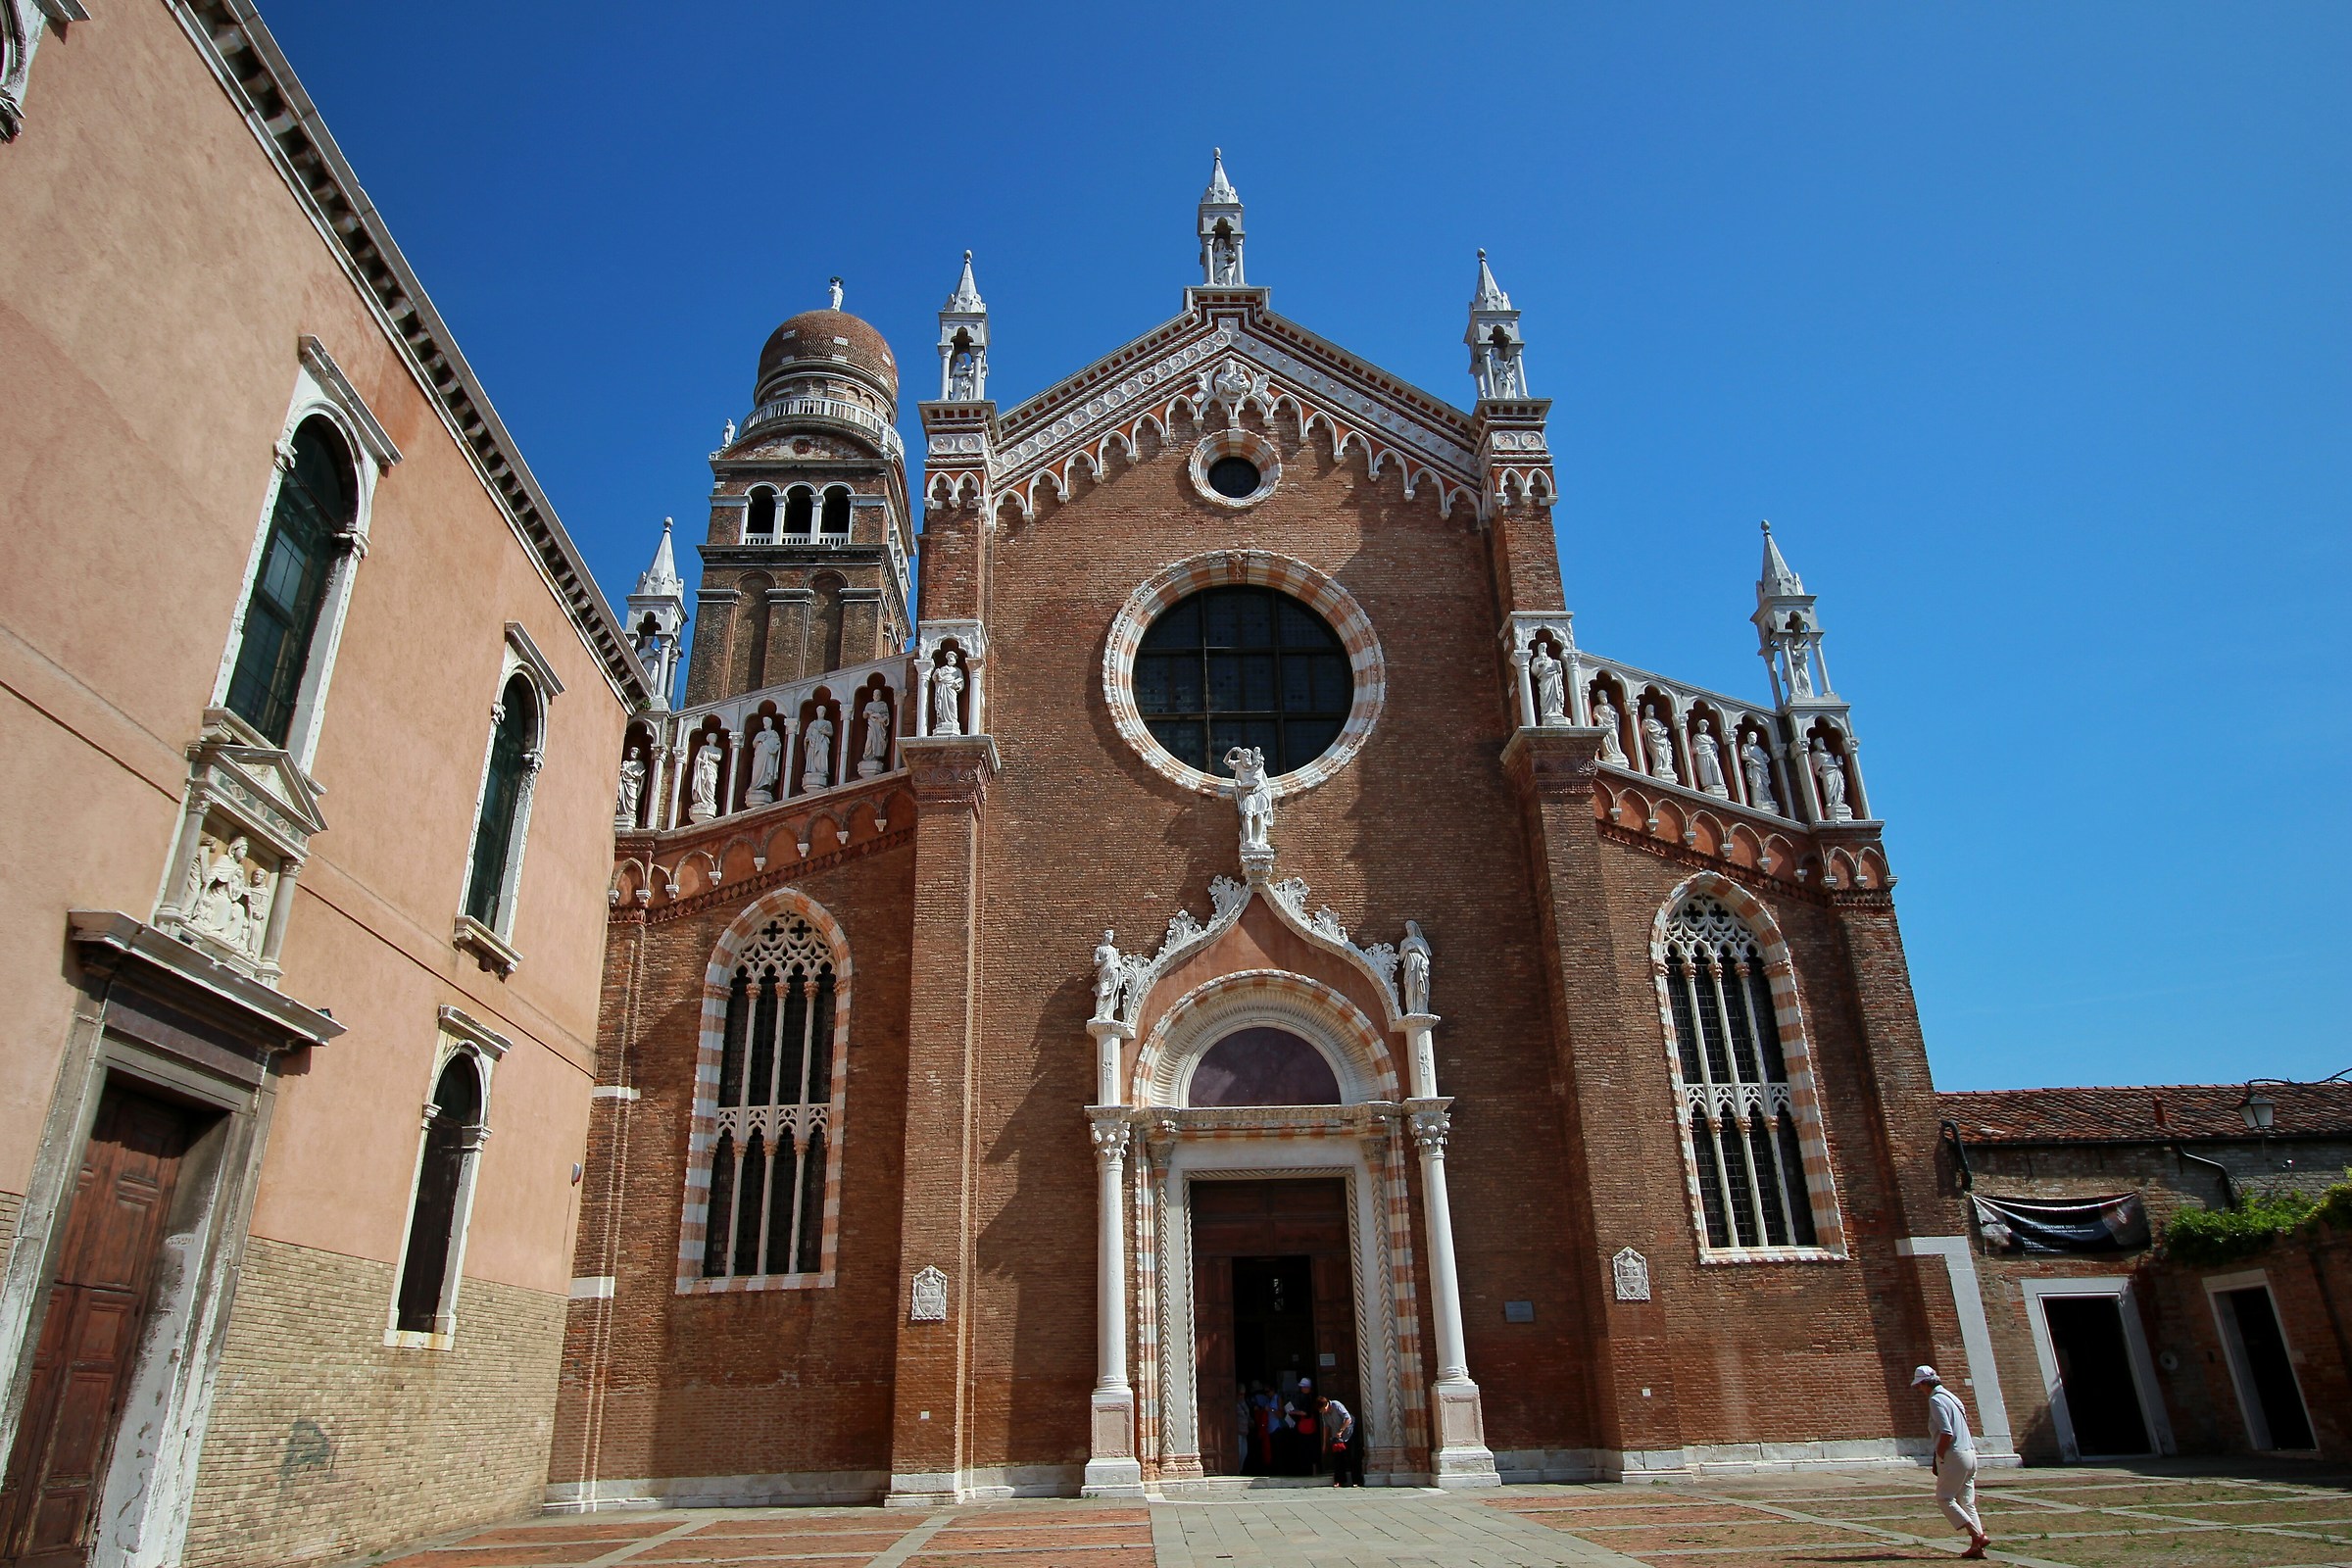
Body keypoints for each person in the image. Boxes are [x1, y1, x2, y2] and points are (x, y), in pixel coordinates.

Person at [1914, 1365, 1989, 1559]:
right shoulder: (1952, 1397)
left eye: (1920, 1385)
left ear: (1925, 1384)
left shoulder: (1936, 1399)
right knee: (1966, 1502)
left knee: (1944, 1498)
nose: (1920, 1389)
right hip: (1969, 1452)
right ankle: (1977, 1547)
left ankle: (1977, 1535)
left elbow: (1946, 1432)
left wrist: (1940, 1455)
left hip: (1955, 1454)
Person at [1317, 1393, 1361, 1487]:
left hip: (1349, 1432)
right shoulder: (1324, 1414)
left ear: (1326, 1405)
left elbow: (1348, 1418)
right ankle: (1339, 1480)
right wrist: (1324, 1443)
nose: (1322, 1412)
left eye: (1322, 1409)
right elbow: (1326, 1427)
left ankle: (1356, 1480)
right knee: (1338, 1457)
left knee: (1352, 1456)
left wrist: (1341, 1431)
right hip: (1336, 1436)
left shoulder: (1336, 1405)